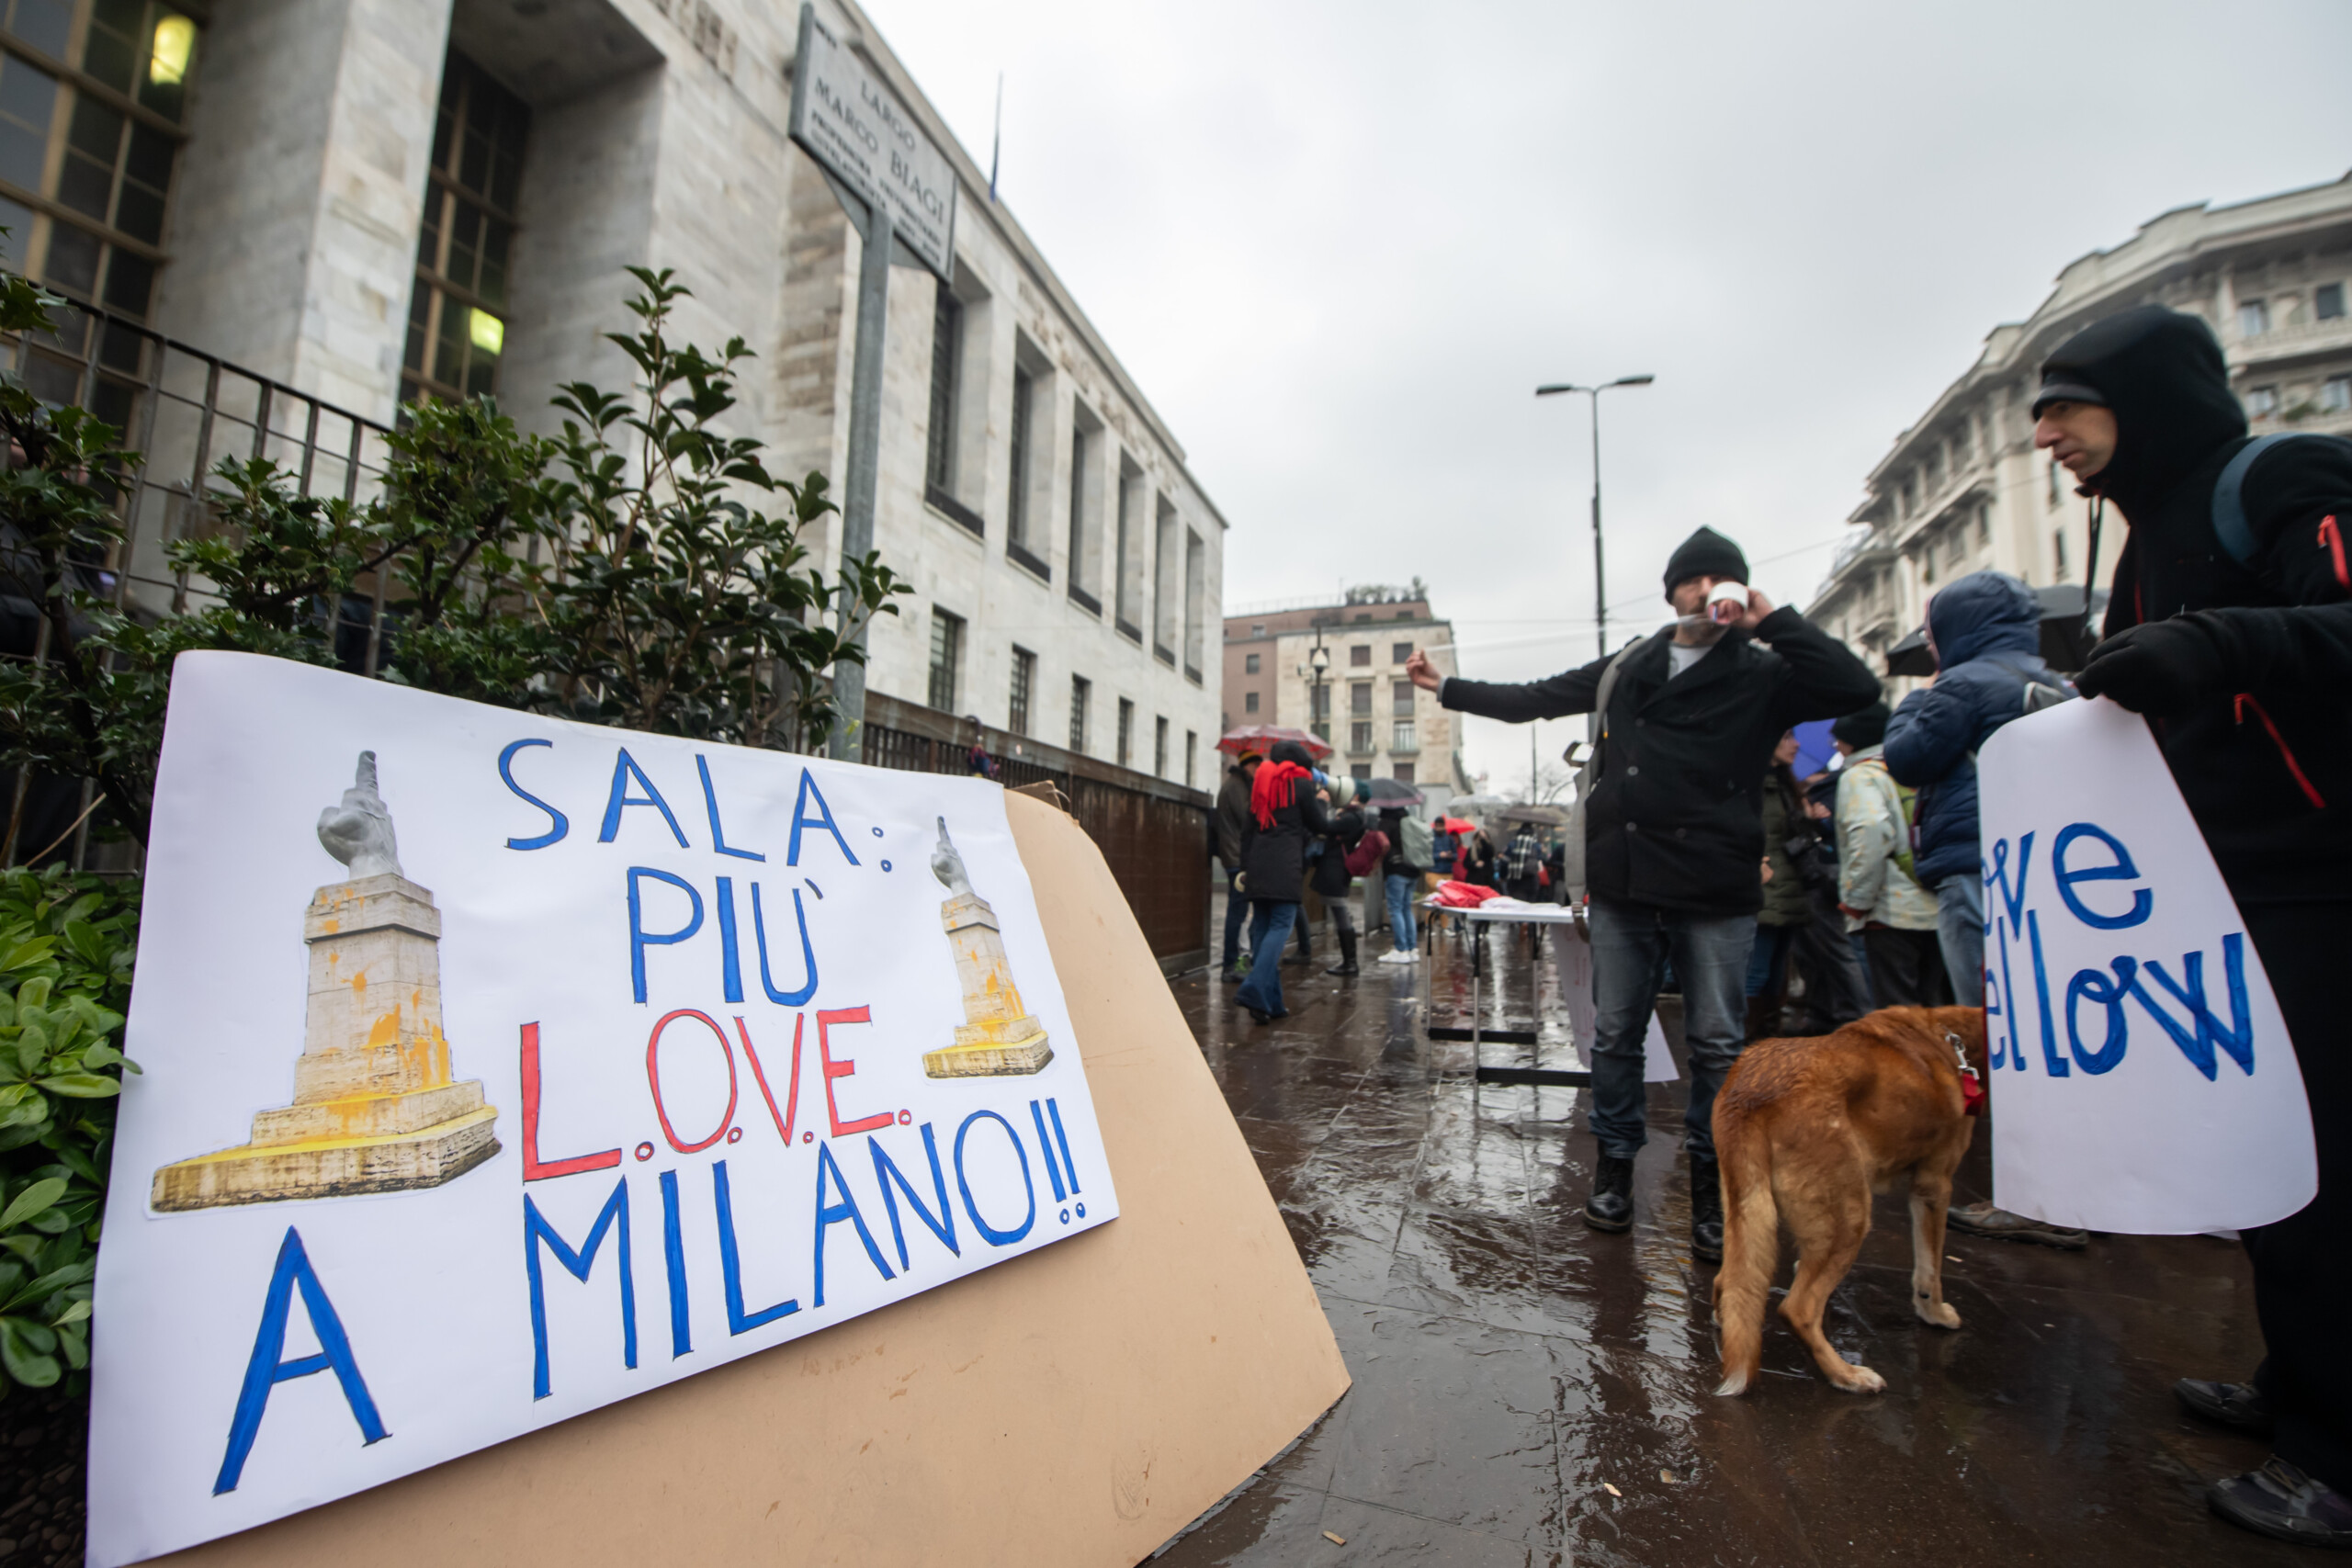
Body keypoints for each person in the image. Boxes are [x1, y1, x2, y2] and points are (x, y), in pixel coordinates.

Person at [2029, 304, 2352, 1547]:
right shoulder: (2141, 537)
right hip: (2222, 882)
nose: (2048, 433)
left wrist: (2211, 643)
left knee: (2325, 1170)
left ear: (2145, 397)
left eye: (2066, 405)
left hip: (2323, 876)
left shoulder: (2285, 477)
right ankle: (2296, 1383)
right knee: (2259, 1153)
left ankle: (2337, 1453)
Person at [1407, 525, 1880, 1259]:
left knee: (1718, 1043)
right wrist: (1448, 687)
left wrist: (1770, 617)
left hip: (1717, 884)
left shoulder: (1765, 669)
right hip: (1628, 880)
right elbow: (1538, 696)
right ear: (1672, 591)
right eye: (1694, 580)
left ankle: (1713, 1185)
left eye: (1721, 580)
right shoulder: (1631, 665)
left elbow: (1857, 686)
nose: (1705, 592)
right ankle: (1615, 1168)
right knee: (1616, 1032)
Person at [1881, 570, 2086, 1250]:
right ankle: (2080, 1182)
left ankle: (2036, 1193)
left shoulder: (1962, 687)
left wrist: (1913, 706)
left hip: (1980, 865)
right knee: (2051, 1024)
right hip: (2050, 871)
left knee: (1992, 1027)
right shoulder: (2058, 683)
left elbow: (1908, 758)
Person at [1832, 702, 1948, 1008]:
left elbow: (1871, 830)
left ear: (1853, 741)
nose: (1836, 746)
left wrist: (1857, 900)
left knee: (1897, 1014)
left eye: (1839, 739)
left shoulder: (1861, 776)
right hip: (1937, 904)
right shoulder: (1917, 767)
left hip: (1891, 911)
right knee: (1931, 1009)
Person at [1234, 740, 1334, 1024]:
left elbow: (1247, 832)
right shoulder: (1301, 787)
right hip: (1285, 867)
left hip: (1257, 866)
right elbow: (1320, 827)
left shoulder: (1260, 786)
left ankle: (1272, 1003)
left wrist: (1245, 869)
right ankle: (1254, 988)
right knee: (1280, 927)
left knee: (1263, 932)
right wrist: (1323, 803)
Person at [1747, 731, 1813, 1037]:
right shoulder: (1754, 785)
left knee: (1775, 978)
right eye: (1786, 736)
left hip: (1786, 894)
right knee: (1756, 974)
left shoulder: (1785, 784)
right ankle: (1746, 1049)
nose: (1795, 744)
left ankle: (1764, 1045)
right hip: (1765, 892)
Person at [1315, 778, 1371, 976]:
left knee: (1340, 913)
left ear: (1355, 796)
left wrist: (1321, 803)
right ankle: (1349, 962)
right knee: (1340, 913)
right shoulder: (1356, 816)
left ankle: (1350, 963)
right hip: (1338, 870)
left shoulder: (1352, 818)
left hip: (1335, 870)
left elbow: (1324, 826)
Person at [1215, 750, 1262, 980]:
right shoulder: (1236, 786)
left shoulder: (1238, 784)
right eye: (1256, 766)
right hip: (1237, 858)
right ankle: (1229, 965)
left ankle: (1235, 961)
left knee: (1240, 911)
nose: (1258, 770)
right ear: (1246, 766)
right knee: (1237, 912)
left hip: (1237, 856)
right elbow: (1248, 819)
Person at [1374, 804, 1425, 964]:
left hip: (1396, 871)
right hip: (1413, 870)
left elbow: (1380, 845)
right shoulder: (1409, 822)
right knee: (1406, 908)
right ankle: (1412, 949)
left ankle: (1401, 949)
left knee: (1395, 909)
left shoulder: (1386, 823)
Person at [1501, 821, 1545, 901]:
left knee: (1517, 905)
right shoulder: (1536, 845)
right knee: (1530, 906)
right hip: (1532, 880)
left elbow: (1504, 862)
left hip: (1515, 879)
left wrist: (1503, 876)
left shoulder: (1512, 844)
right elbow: (1541, 864)